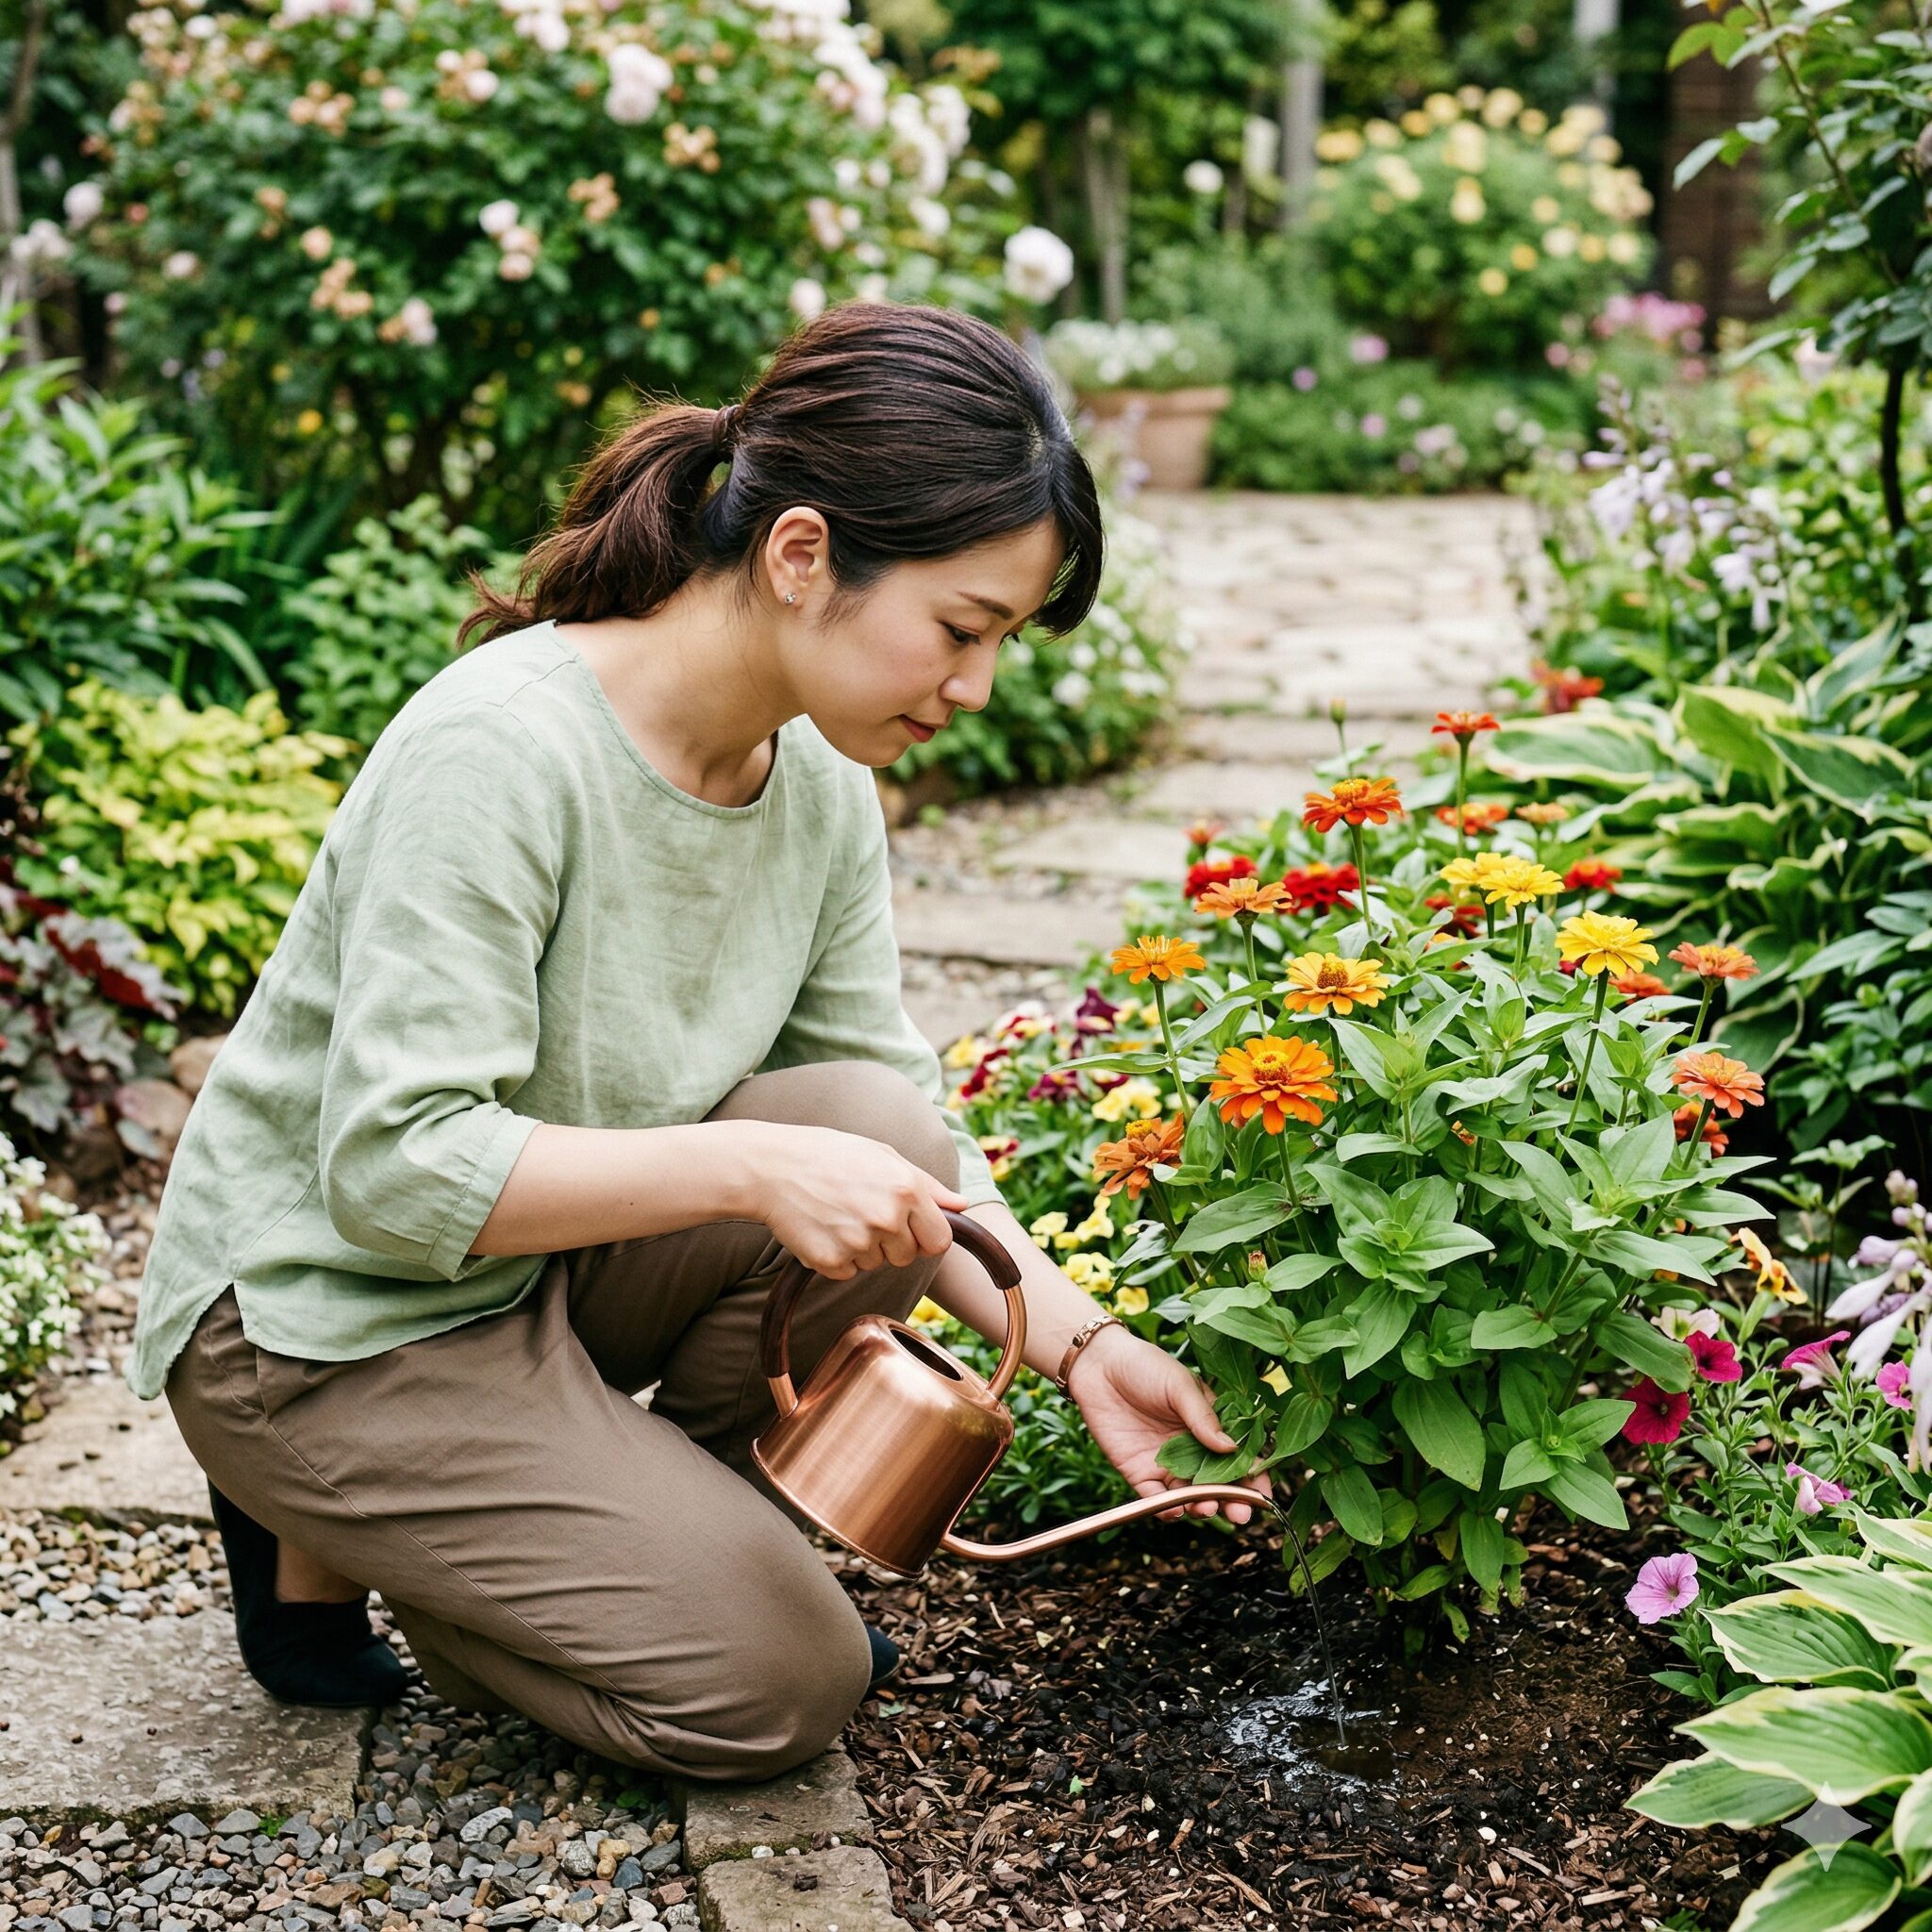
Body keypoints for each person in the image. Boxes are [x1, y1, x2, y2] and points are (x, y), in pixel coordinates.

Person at [130, 300, 1270, 1786]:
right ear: (803, 556)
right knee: (782, 1687)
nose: (977, 688)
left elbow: (895, 1123)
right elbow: (392, 1175)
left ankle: (611, 1531)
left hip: (529, 1281)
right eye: (961, 629)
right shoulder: (504, 750)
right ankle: (377, 1532)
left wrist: (1083, 1348)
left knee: (883, 1134)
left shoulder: (815, 787)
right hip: (325, 1322)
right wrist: (747, 1165)